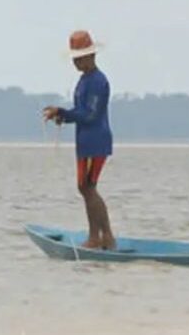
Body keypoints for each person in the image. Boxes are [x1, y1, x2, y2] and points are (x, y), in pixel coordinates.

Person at [43, 30, 116, 250]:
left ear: (91, 56)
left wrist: (63, 113)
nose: (76, 61)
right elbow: (81, 111)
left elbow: (91, 115)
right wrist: (63, 117)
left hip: (96, 141)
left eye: (79, 57)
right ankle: (101, 237)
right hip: (85, 141)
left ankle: (101, 237)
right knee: (85, 187)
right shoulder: (84, 80)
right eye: (75, 57)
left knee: (88, 187)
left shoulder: (97, 81)